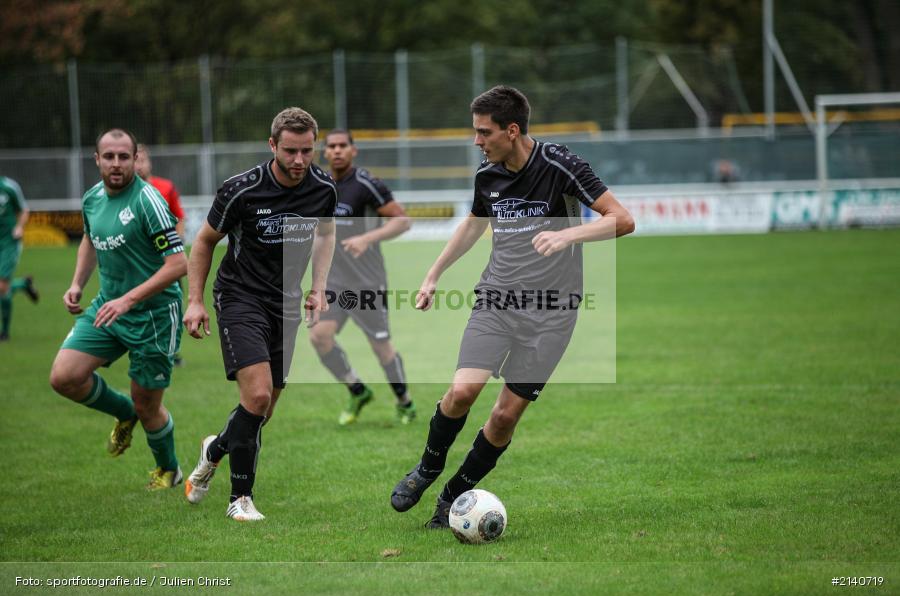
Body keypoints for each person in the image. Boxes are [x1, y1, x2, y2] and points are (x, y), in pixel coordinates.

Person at [390, 86, 635, 527]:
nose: (477, 141)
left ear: (512, 130)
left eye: (484, 132)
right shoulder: (488, 174)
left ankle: (452, 499)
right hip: (497, 299)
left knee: (503, 418)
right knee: (462, 392)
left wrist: (567, 234)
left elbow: (622, 219)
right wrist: (433, 273)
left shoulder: (562, 165)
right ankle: (428, 467)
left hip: (553, 313)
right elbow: (474, 222)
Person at [182, 107, 336, 522]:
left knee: (263, 411)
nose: (299, 160)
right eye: (290, 151)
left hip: (285, 304)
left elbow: (325, 234)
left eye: (307, 151)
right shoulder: (242, 190)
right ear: (272, 146)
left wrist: (318, 287)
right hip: (240, 297)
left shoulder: (323, 188)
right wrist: (195, 300)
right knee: (257, 396)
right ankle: (240, 499)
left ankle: (215, 449)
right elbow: (204, 242)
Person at [49, 128, 187, 490]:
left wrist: (128, 299)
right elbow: (89, 239)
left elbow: (178, 265)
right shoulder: (92, 198)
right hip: (108, 308)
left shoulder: (148, 201)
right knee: (64, 377)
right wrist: (77, 283)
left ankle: (169, 470)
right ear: (97, 159)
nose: (116, 164)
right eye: (108, 156)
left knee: (148, 406)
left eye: (124, 157)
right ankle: (123, 412)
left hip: (154, 316)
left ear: (135, 159)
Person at [309, 129, 415, 425]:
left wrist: (367, 238)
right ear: (324, 152)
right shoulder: (319, 185)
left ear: (353, 150)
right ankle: (357, 390)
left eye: (343, 145)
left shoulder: (367, 183)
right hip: (334, 281)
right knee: (319, 336)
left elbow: (402, 221)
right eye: (332, 146)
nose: (337, 150)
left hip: (367, 281)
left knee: (381, 348)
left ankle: (405, 402)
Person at [136, 144, 186, 366]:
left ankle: (172, 350)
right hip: (141, 261)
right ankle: (145, 347)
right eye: (135, 160)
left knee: (172, 302)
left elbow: (179, 216)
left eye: (142, 160)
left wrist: (177, 242)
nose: (139, 165)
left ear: (150, 163)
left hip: (167, 259)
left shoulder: (165, 187)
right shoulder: (125, 193)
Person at [0, 175, 39, 341]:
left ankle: (5, 332)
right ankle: (23, 284)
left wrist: (19, 227)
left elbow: (24, 210)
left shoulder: (9, 187)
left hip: (9, 242)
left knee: (2, 286)